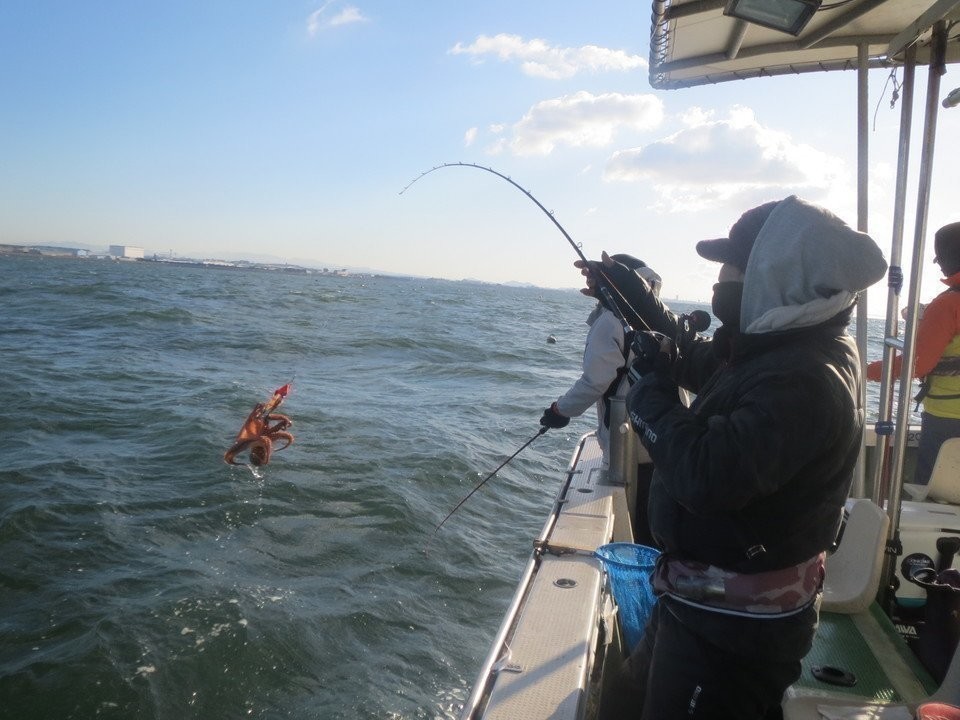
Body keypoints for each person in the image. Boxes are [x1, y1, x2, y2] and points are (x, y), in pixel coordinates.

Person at [590, 196, 887, 719]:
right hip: (698, 599)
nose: (720, 278)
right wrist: (632, 298)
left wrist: (649, 392)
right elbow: (694, 358)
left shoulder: (806, 378)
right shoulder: (781, 344)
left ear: (776, 274)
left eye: (732, 263)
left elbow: (705, 477)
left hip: (736, 630)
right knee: (621, 704)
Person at [539, 254, 663, 463]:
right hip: (663, 441)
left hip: (626, 444)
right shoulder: (662, 317)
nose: (590, 282)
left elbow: (594, 382)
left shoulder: (609, 322)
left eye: (599, 276)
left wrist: (559, 410)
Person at [866, 221, 960, 486]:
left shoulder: (947, 305)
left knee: (936, 490)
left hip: (949, 417)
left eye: (939, 258)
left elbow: (916, 364)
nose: (938, 265)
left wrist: (866, 370)